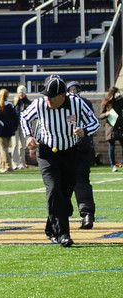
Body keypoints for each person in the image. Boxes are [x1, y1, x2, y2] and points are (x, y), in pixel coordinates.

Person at [20, 76, 100, 247]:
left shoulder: (76, 103)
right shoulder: (40, 104)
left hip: (70, 152)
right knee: (54, 188)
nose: (48, 99)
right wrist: (28, 136)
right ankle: (64, 233)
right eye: (46, 95)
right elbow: (24, 117)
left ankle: (52, 228)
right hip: (47, 152)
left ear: (63, 96)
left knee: (65, 193)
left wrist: (84, 131)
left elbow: (94, 122)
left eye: (52, 96)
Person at [66, 81, 96, 229]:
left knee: (80, 181)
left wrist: (83, 130)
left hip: (78, 145)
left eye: (74, 89)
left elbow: (94, 123)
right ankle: (81, 213)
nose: (72, 91)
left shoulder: (84, 103)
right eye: (70, 89)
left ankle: (85, 214)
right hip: (66, 146)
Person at [0, 88, 20, 173]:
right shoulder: (10, 105)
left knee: (4, 149)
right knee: (4, 148)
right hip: (10, 129)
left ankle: (8, 166)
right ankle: (1, 165)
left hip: (1, 129)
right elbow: (16, 117)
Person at [99, 87, 123, 172]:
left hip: (120, 127)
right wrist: (106, 113)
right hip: (111, 127)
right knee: (112, 147)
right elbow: (100, 116)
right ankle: (113, 165)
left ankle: (121, 163)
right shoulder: (106, 102)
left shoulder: (120, 101)